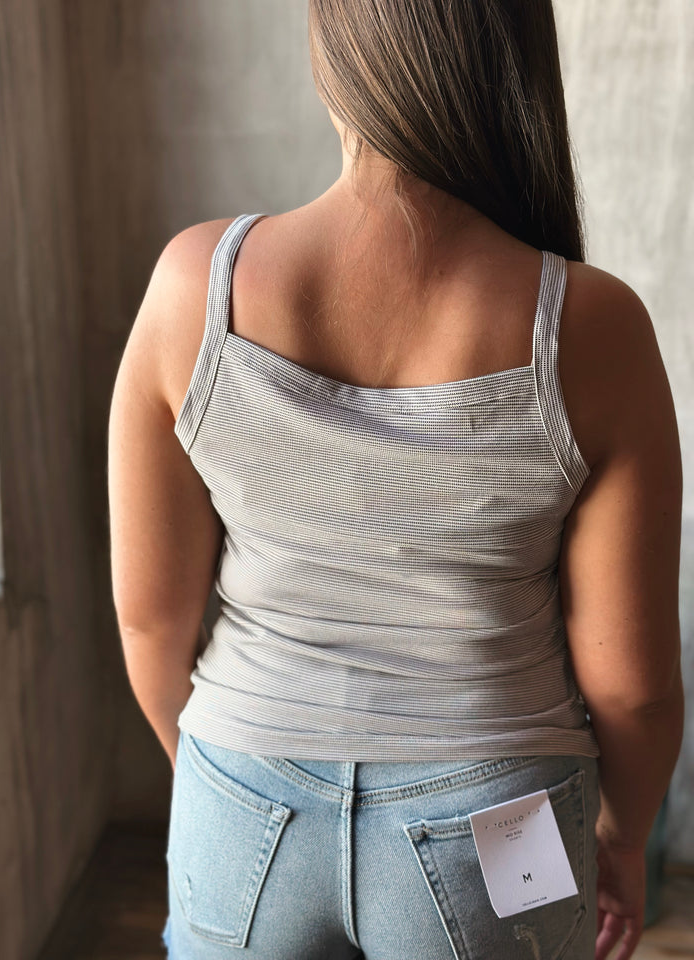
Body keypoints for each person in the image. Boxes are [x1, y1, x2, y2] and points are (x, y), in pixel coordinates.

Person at [107, 2, 684, 959]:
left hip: (240, 790)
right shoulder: (591, 328)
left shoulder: (192, 288)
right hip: (507, 820)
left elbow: (148, 621)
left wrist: (225, 782)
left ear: (334, 62)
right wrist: (619, 839)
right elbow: (633, 688)